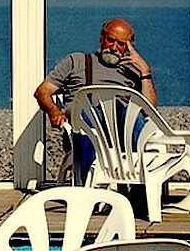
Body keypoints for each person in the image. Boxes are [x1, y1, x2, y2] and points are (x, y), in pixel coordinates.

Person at [34, 18, 157, 185]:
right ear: (101, 39)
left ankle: (141, 185)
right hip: (85, 125)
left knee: (132, 115)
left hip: (121, 130)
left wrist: (145, 72)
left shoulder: (133, 70)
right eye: (110, 40)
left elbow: (150, 110)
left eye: (120, 43)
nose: (113, 47)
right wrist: (54, 111)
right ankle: (88, 185)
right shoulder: (76, 61)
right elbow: (42, 91)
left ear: (129, 46)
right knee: (85, 110)